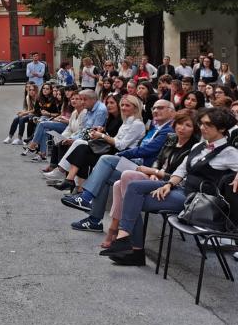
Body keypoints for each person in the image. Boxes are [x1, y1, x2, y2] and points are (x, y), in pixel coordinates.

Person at [102, 108, 238, 266]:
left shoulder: (229, 152)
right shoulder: (199, 146)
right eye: (201, 124)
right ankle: (126, 242)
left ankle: (132, 248)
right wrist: (169, 184)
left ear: (221, 128)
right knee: (132, 188)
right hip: (179, 187)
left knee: (131, 199)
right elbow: (182, 169)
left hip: (195, 201)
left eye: (208, 124)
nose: (202, 127)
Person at [61, 100, 176, 232]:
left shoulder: (168, 130)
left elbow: (149, 150)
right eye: (154, 108)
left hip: (148, 170)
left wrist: (122, 154)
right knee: (104, 173)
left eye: (160, 108)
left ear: (172, 111)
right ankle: (94, 220)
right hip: (139, 165)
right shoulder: (156, 128)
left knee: (105, 159)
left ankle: (86, 198)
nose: (155, 110)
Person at [101, 109, 197, 249]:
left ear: (195, 129)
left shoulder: (193, 147)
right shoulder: (171, 138)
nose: (182, 128)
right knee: (118, 184)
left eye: (188, 125)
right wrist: (154, 172)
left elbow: (180, 176)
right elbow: (158, 160)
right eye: (180, 123)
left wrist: (155, 172)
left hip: (171, 184)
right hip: (155, 178)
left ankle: (121, 234)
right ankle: (121, 234)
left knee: (125, 181)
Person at [51, 95, 144, 190]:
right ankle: (70, 181)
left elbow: (121, 145)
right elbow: (115, 139)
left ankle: (75, 184)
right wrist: (102, 133)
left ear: (135, 108)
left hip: (123, 157)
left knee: (82, 149)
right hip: (113, 151)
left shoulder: (137, 124)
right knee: (82, 148)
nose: (123, 108)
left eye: (127, 105)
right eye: (122, 105)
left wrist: (101, 135)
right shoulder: (126, 121)